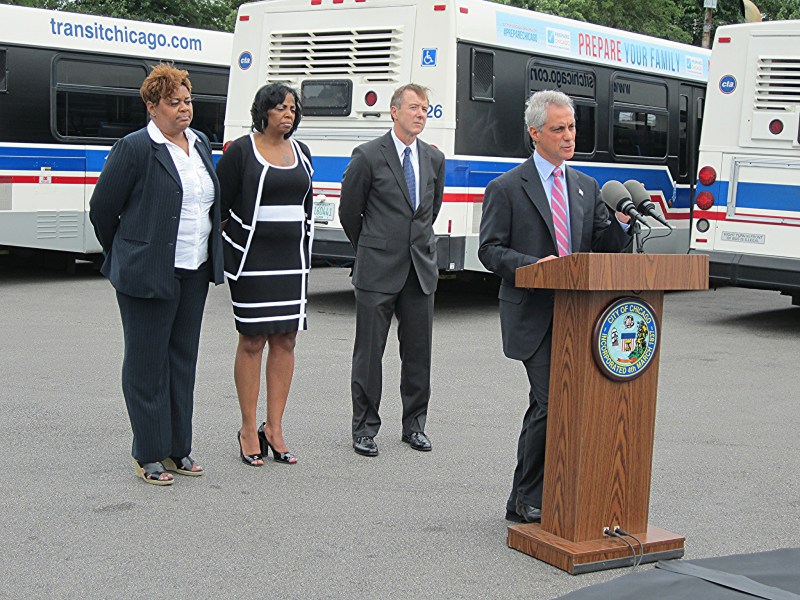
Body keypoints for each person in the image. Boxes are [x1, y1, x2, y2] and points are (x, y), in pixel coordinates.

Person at [478, 90, 632, 522]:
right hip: (533, 314)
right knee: (551, 403)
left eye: (572, 127)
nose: (569, 137)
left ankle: (526, 497)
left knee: (555, 405)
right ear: (535, 133)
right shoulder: (506, 188)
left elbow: (599, 248)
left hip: (580, 315)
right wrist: (534, 266)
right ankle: (530, 495)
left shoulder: (585, 186)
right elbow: (489, 251)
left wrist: (621, 223)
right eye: (559, 129)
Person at [90, 64, 224, 486]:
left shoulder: (199, 143)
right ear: (152, 107)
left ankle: (177, 448)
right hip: (147, 273)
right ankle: (147, 451)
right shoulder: (134, 148)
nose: (184, 109)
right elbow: (102, 209)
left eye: (187, 101)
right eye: (174, 102)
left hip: (194, 269)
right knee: (147, 363)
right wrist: (130, 252)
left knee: (182, 361)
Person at [339, 83, 446, 457]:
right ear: (394, 111)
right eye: (415, 107)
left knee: (418, 353)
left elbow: (429, 213)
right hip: (377, 268)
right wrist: (372, 247)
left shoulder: (433, 158)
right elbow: (349, 211)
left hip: (420, 269)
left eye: (426, 109)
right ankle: (365, 428)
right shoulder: (368, 155)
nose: (421, 114)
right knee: (370, 353)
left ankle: (414, 425)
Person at [215, 83, 313, 466]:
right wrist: (230, 247)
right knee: (253, 340)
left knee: (286, 339)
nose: (288, 114)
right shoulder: (241, 150)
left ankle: (274, 428)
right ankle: (245, 427)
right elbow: (219, 205)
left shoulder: (302, 154)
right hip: (252, 260)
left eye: (292, 108)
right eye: (280, 108)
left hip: (292, 259)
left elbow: (306, 205)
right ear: (264, 112)